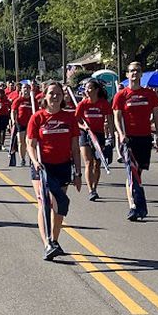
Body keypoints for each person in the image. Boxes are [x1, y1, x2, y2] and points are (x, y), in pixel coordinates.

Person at [27, 81, 82, 261]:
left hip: (63, 165)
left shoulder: (69, 118)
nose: (55, 97)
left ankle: (55, 240)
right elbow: (30, 144)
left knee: (59, 204)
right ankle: (47, 243)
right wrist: (35, 161)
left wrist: (78, 173)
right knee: (45, 203)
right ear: (45, 96)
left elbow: (75, 148)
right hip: (42, 166)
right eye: (51, 93)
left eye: (58, 93)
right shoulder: (37, 118)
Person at [112, 61, 158, 221]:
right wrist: (120, 134)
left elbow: (157, 116)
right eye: (132, 71)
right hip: (128, 138)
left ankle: (138, 205)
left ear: (141, 74)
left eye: (137, 71)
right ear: (127, 74)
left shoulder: (150, 94)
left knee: (137, 173)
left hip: (145, 137)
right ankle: (135, 206)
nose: (134, 73)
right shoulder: (121, 95)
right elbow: (117, 117)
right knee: (131, 172)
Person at [75, 79, 111, 201]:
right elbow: (76, 121)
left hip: (99, 135)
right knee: (88, 162)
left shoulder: (103, 104)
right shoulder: (83, 104)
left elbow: (109, 119)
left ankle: (95, 187)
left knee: (97, 163)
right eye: (85, 88)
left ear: (96, 90)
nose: (87, 90)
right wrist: (83, 127)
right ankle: (90, 190)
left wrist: (110, 136)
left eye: (89, 88)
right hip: (85, 134)